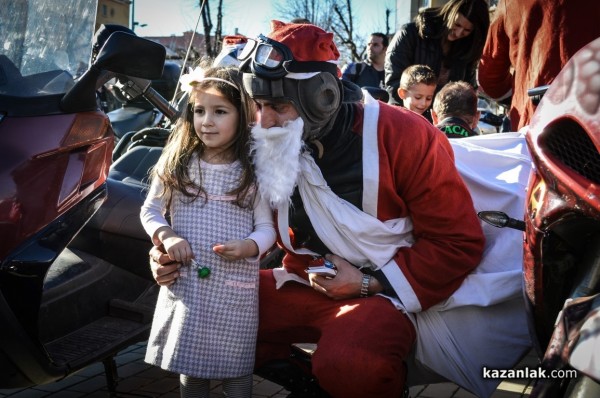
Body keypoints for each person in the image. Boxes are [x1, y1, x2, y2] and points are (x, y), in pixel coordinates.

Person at [150, 20, 531, 398]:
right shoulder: (263, 135)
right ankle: (303, 381)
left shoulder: (404, 135)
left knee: (353, 367)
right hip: (300, 281)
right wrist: (170, 250)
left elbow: (457, 243)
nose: (264, 121)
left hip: (378, 295)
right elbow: (213, 208)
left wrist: (370, 282)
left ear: (323, 97)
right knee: (203, 307)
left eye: (279, 106)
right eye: (258, 105)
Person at [140, 63, 276, 398]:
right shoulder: (177, 163)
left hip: (234, 291)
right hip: (189, 288)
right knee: (192, 369)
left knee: (236, 370)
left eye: (219, 111)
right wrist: (167, 235)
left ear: (242, 115)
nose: (207, 121)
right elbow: (150, 210)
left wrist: (249, 246)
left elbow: (266, 228)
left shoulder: (253, 171)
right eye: (199, 110)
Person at [478, 0, 600, 131]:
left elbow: (490, 77)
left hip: (533, 118)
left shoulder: (511, 3)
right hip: (590, 119)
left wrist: (520, 94)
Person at [384, 0, 490, 105]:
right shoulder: (410, 33)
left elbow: (467, 91)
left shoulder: (467, 49)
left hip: (443, 118)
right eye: (457, 25)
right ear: (449, 14)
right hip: (406, 113)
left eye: (467, 30)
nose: (458, 33)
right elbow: (394, 81)